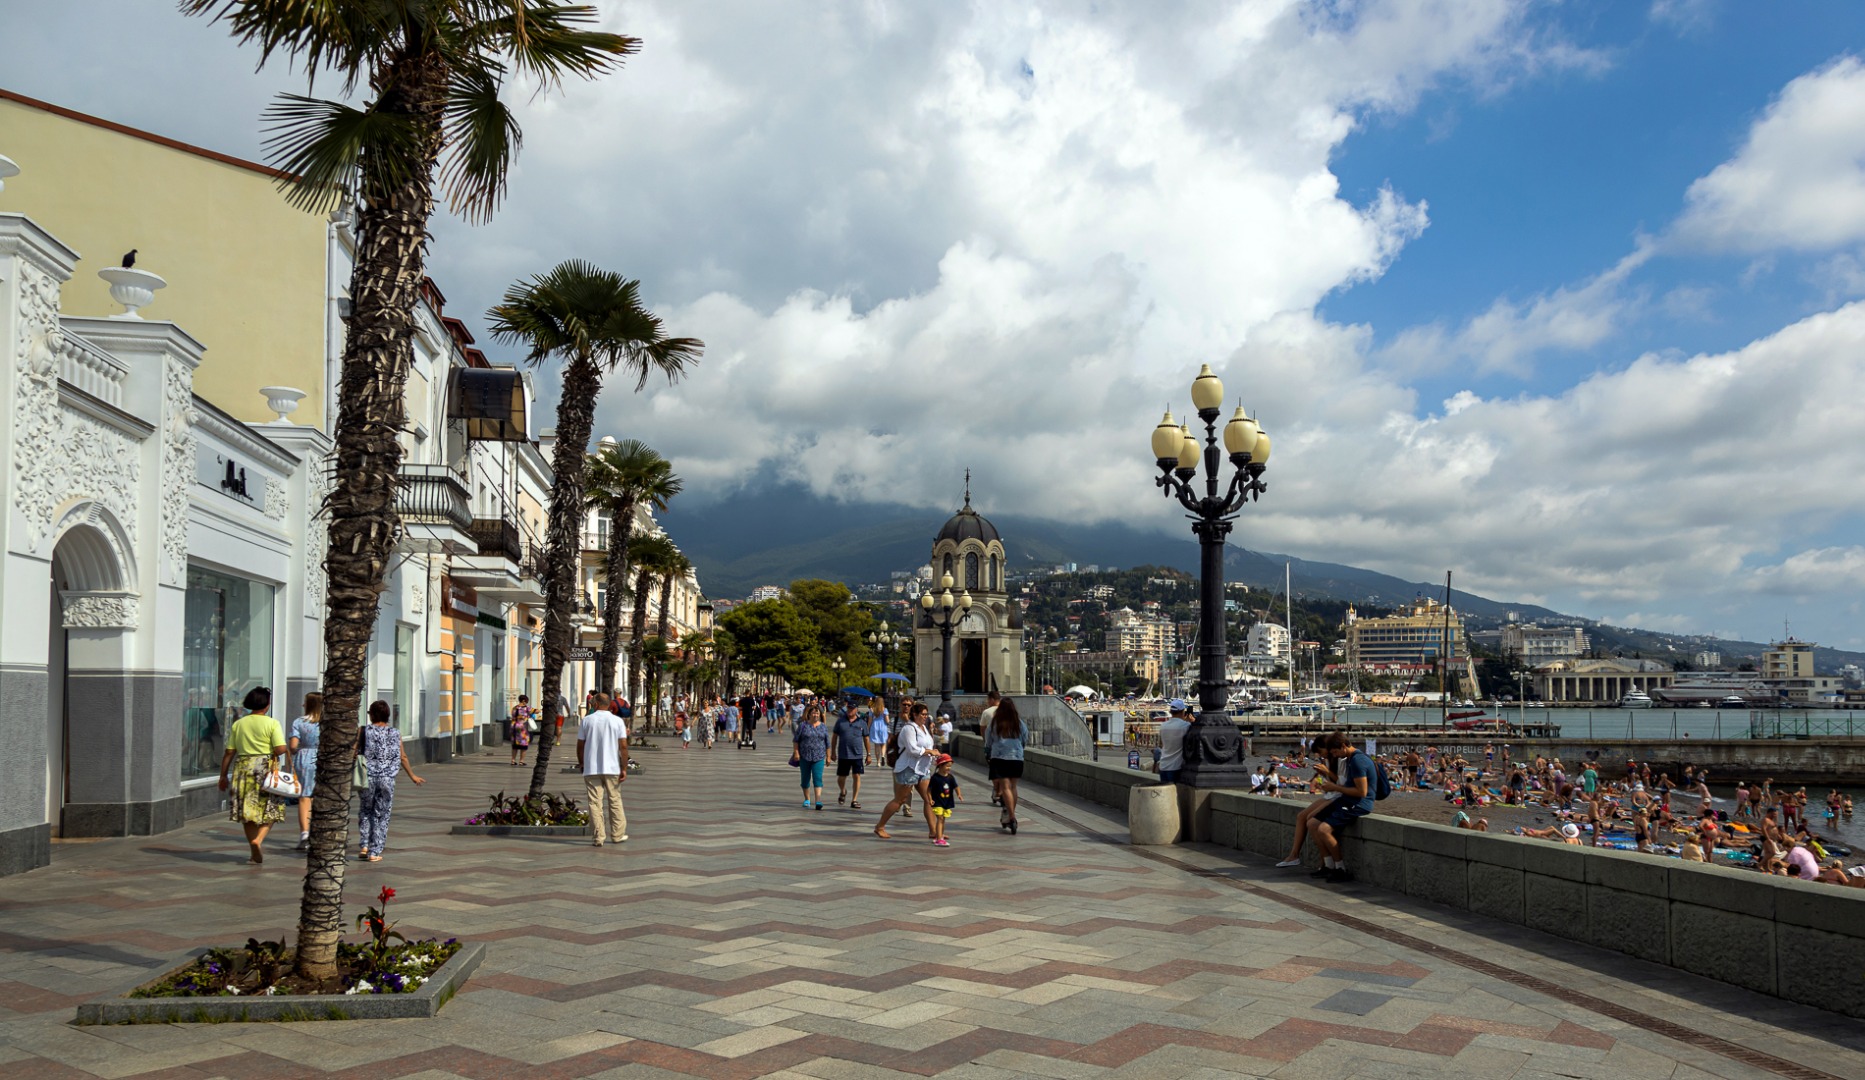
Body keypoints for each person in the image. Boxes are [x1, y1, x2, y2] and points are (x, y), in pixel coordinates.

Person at [218, 687, 288, 865]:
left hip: (243, 768)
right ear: (266, 705)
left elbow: (229, 752)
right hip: (265, 769)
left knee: (247, 812)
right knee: (271, 808)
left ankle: (252, 849)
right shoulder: (272, 723)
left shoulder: (239, 724)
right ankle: (259, 840)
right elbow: (280, 749)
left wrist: (223, 775)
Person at [357, 700, 424, 862]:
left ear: (371, 715)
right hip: (387, 779)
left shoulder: (364, 731)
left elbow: (354, 753)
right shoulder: (395, 733)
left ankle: (364, 845)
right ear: (387, 716)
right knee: (381, 814)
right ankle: (375, 851)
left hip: (368, 777)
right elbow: (403, 756)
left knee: (366, 810)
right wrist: (412, 776)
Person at [1310, 731, 1376, 884]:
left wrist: (1335, 787)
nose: (1336, 756)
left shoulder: (1358, 761)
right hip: (1347, 799)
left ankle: (1340, 869)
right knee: (1312, 823)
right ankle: (1328, 865)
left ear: (1344, 746)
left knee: (1323, 829)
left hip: (1359, 803)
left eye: (1336, 752)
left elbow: (1361, 792)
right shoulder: (1350, 759)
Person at [1275, 733, 1344, 868]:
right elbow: (1332, 782)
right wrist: (1324, 775)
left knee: (1311, 819)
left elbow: (1342, 784)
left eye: (1320, 751)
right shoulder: (1328, 759)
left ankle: (1325, 863)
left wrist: (1327, 773)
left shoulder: (1339, 759)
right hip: (1331, 794)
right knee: (1301, 816)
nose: (1319, 755)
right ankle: (1294, 855)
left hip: (1338, 796)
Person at [875, 703, 937, 840]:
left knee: (929, 799)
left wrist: (934, 755)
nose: (925, 717)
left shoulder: (924, 729)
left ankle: (933, 831)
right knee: (900, 800)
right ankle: (880, 826)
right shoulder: (909, 728)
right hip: (908, 768)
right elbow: (913, 750)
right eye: (923, 714)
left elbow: (928, 746)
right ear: (915, 715)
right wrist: (929, 751)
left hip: (922, 769)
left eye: (926, 714)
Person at [577, 691, 630, 847]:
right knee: (615, 800)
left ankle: (598, 837)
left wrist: (581, 763)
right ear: (609, 705)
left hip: (591, 767)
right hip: (612, 768)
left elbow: (580, 745)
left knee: (594, 802)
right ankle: (617, 834)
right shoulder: (617, 721)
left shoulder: (586, 721)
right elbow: (623, 746)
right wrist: (624, 767)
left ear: (596, 704)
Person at [984, 697, 1029, 835]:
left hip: (1000, 757)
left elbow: (988, 740)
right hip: (1016, 758)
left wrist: (988, 752)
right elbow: (1025, 739)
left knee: (1005, 788)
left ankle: (1012, 817)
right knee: (1013, 787)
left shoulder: (995, 723)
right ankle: (1010, 814)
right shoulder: (1019, 723)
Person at [288, 692, 323, 851]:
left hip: (304, 758)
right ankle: (317, 832)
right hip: (323, 759)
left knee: (304, 796)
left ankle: (304, 834)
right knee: (318, 795)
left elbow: (293, 746)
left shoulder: (299, 722)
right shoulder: (326, 723)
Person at [793, 704, 830, 810]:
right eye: (814, 713)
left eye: (817, 713)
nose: (816, 715)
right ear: (809, 714)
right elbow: (796, 740)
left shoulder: (823, 726)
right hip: (805, 756)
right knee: (805, 779)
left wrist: (828, 756)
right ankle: (807, 799)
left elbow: (827, 743)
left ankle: (818, 800)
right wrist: (796, 753)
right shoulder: (803, 726)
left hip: (819, 756)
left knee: (818, 778)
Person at [832, 704, 868, 809]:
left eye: (852, 709)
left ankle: (854, 800)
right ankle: (843, 791)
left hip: (857, 754)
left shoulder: (862, 722)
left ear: (856, 709)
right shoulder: (840, 721)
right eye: (848, 708)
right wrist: (833, 752)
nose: (850, 710)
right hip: (844, 754)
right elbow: (834, 737)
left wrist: (869, 754)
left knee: (857, 776)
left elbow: (866, 738)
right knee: (841, 777)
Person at [928, 754, 962, 846]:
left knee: (943, 819)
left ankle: (940, 835)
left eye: (950, 766)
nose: (949, 768)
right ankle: (939, 839)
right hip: (937, 801)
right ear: (940, 765)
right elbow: (929, 789)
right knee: (940, 818)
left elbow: (956, 787)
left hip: (947, 802)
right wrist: (930, 799)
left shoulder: (950, 777)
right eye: (947, 766)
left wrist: (959, 794)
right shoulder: (935, 778)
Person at [1156, 699, 1191, 785]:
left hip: (1163, 766)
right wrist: (1192, 721)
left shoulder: (1163, 726)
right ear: (1183, 711)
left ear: (1171, 712)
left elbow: (1161, 744)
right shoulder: (1185, 726)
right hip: (1176, 767)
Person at [510, 695, 536, 766]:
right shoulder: (526, 708)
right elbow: (535, 711)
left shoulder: (514, 708)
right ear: (524, 700)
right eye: (526, 701)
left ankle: (513, 760)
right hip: (522, 728)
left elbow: (513, 716)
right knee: (524, 745)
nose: (527, 703)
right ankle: (521, 761)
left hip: (514, 727)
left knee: (515, 746)